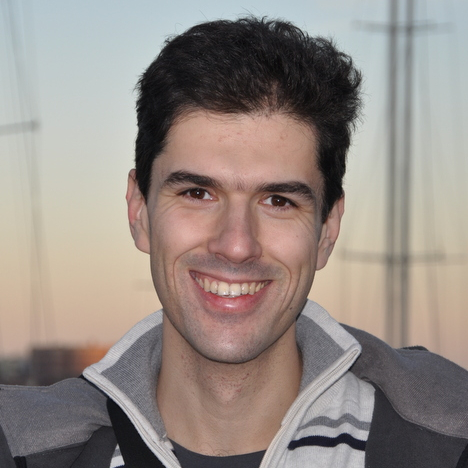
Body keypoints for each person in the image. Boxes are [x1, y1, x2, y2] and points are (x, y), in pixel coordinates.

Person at [1, 16, 467, 468]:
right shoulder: (23, 448)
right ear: (139, 210)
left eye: (278, 201)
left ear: (328, 229)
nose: (237, 245)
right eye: (197, 193)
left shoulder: (448, 443)